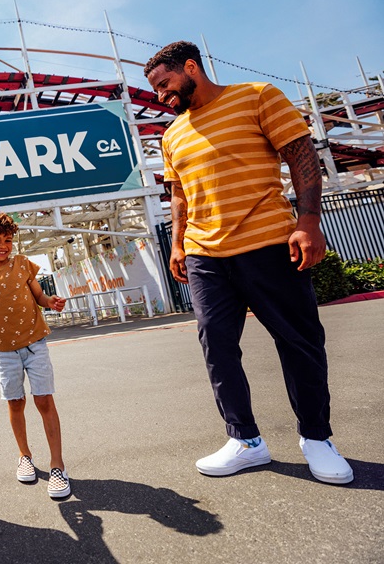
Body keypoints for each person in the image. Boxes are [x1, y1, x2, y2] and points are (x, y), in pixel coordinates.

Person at [143, 41, 353, 484]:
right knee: (217, 348)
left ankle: (316, 438)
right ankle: (245, 440)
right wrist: (178, 244)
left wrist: (309, 220)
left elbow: (302, 157)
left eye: (165, 83)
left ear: (191, 67)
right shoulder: (171, 134)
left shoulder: (258, 96)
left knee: (299, 342)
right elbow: (178, 194)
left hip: (267, 243)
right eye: (156, 89)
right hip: (205, 255)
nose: (161, 94)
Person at [0, 212, 71, 498]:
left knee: (45, 400)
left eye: (8, 240)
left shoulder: (23, 265)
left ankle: (57, 465)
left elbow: (39, 297)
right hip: (4, 352)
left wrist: (51, 302)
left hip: (36, 345)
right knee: (15, 404)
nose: (3, 246)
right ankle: (25, 456)